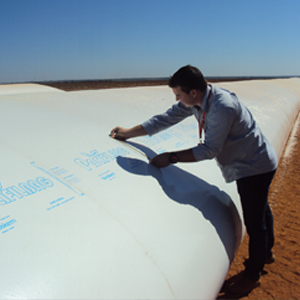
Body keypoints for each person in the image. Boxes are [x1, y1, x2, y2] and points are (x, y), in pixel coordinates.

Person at [110, 65, 277, 294]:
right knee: (261, 208)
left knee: (255, 220)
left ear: (193, 93)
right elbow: (165, 119)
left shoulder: (222, 107)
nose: (177, 99)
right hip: (254, 161)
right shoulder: (200, 100)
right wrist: (128, 132)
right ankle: (267, 252)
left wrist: (172, 157)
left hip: (253, 167)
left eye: (178, 94)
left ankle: (253, 272)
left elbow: (210, 149)